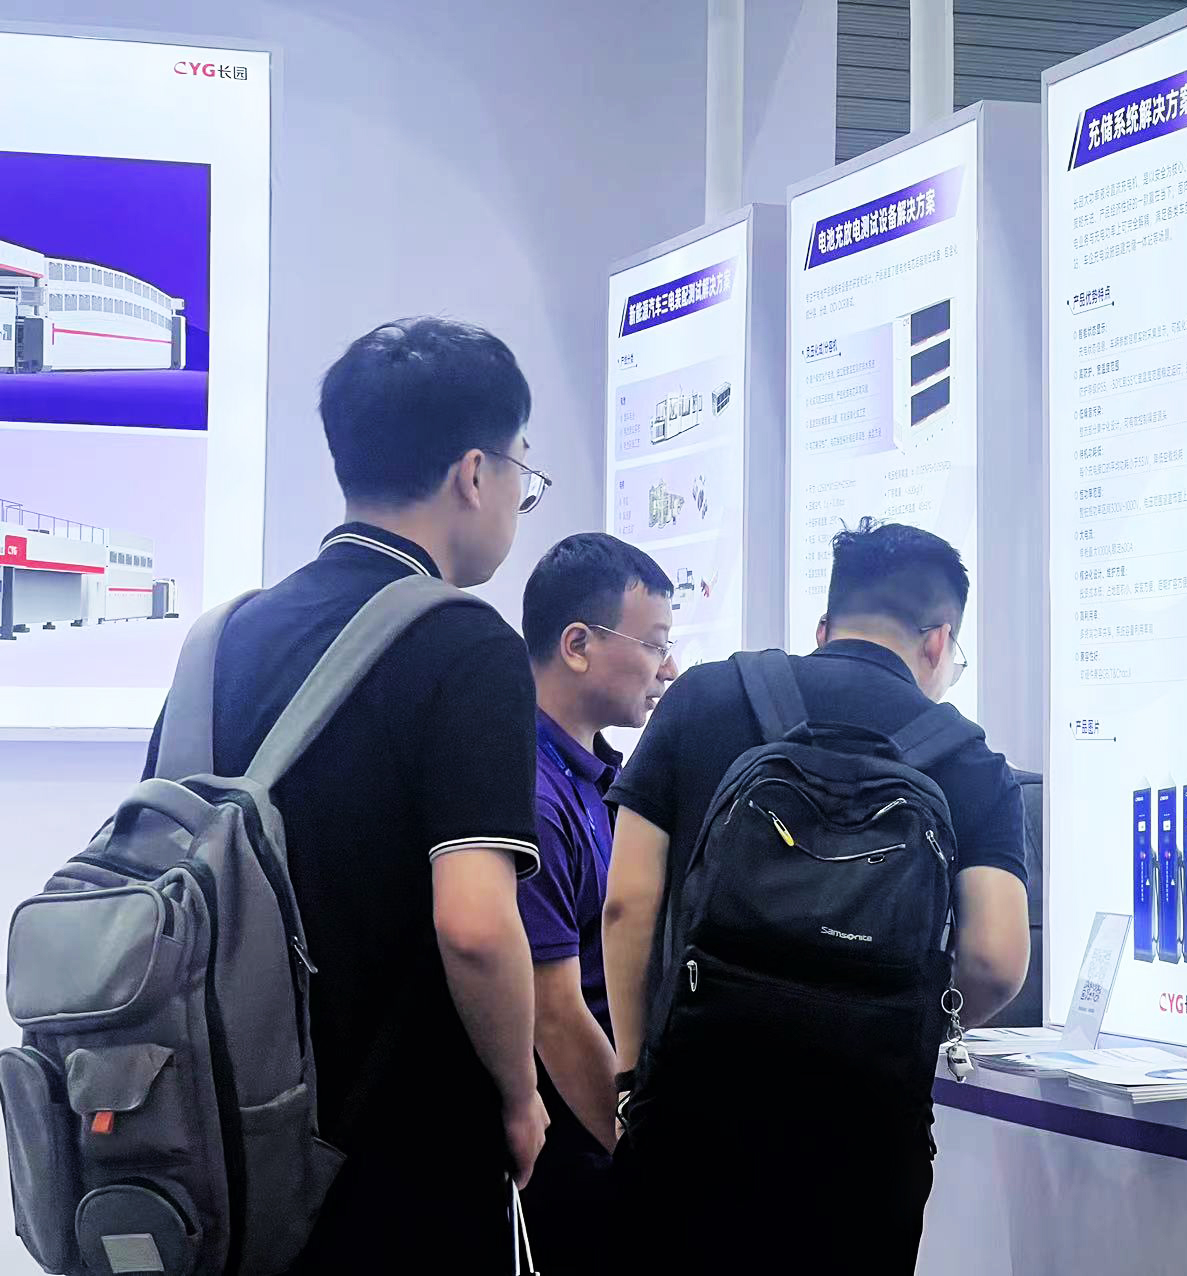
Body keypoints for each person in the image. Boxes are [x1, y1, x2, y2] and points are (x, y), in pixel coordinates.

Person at [143, 318, 554, 1272]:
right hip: (396, 1161)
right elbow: (474, 926)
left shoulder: (219, 639)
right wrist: (519, 1094)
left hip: (216, 1153)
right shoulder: (468, 645)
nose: (516, 498)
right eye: (522, 473)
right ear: (474, 473)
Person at [602, 518, 1032, 1273]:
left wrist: (635, 1080)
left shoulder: (704, 697)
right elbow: (997, 962)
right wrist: (897, 1026)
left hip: (693, 1114)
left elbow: (627, 904)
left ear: (825, 623)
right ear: (939, 642)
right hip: (865, 1142)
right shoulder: (970, 761)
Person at [515, 533, 676, 1269]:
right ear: (578, 645)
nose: (668, 669)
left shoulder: (594, 776)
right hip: (571, 1142)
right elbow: (553, 1013)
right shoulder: (533, 797)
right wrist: (634, 1151)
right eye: (655, 645)